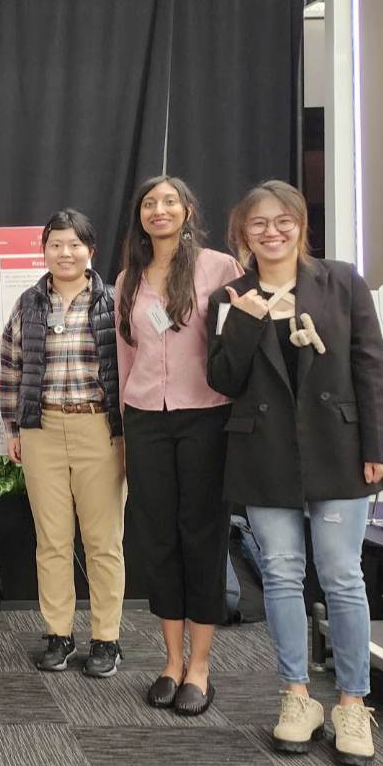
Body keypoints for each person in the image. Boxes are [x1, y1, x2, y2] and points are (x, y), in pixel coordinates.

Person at [207, 179, 383, 766]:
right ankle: (295, 697)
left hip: (339, 452)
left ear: (300, 225)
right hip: (264, 456)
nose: (272, 232)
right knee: (283, 576)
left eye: (282, 221)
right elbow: (222, 379)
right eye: (258, 223)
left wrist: (380, 447)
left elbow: (371, 368)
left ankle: (351, 702)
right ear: (243, 233)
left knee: (342, 575)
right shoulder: (231, 295)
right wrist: (243, 320)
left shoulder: (340, 282)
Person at [114, 176, 244, 715]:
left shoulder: (220, 268)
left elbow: (238, 346)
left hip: (205, 416)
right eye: (150, 203)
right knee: (158, 539)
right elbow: (124, 357)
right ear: (140, 215)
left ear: (188, 210)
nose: (159, 210)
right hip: (146, 418)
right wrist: (124, 423)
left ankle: (201, 666)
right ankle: (170, 661)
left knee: (202, 536)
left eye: (169, 201)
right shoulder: (128, 279)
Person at [0, 209, 125, 679]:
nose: (65, 253)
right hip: (42, 430)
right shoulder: (29, 303)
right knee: (51, 540)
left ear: (91, 250)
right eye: (55, 244)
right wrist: (13, 428)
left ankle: (106, 639)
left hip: (99, 430)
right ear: (44, 250)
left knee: (103, 541)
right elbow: (11, 364)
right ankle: (59, 633)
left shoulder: (114, 301)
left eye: (74, 244)